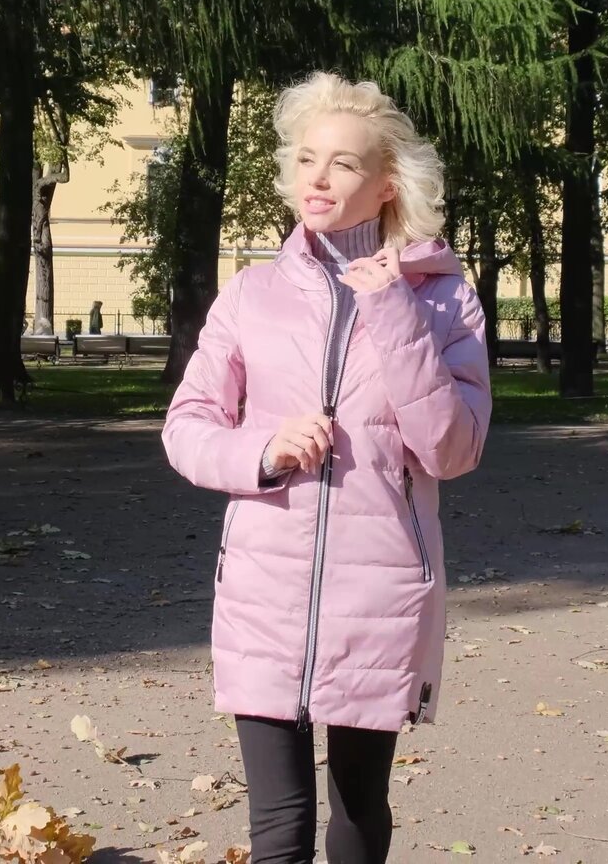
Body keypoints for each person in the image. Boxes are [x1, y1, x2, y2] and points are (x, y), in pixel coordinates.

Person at [162, 72, 490, 864]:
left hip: (380, 591)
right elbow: (187, 427)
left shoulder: (443, 302)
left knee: (359, 807)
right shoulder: (252, 294)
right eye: (306, 158)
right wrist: (263, 451)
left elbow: (452, 450)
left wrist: (393, 311)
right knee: (277, 826)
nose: (317, 177)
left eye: (342, 163)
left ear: (386, 184)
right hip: (264, 589)